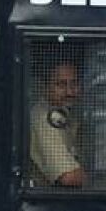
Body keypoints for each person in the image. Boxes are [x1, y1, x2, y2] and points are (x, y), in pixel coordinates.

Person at [29, 58, 86, 187]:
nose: (70, 92)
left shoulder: (66, 113)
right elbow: (67, 177)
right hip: (49, 202)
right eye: (61, 85)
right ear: (45, 87)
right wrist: (101, 179)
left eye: (74, 84)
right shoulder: (46, 119)